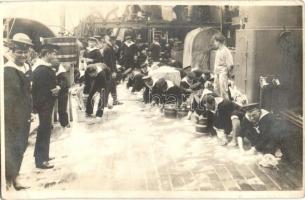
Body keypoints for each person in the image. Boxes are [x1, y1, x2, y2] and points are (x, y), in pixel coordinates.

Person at [4, 33, 33, 190]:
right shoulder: (8, 71)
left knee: (21, 146)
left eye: (25, 52)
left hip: (24, 114)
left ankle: (15, 177)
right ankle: (9, 180)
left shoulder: (27, 67)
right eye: (19, 52)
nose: (22, 55)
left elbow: (28, 92)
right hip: (12, 116)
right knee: (12, 146)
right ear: (12, 51)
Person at [32, 44, 60, 169]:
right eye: (53, 53)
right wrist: (53, 91)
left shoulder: (43, 67)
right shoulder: (41, 69)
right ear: (47, 54)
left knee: (46, 129)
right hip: (44, 103)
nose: (55, 56)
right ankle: (40, 160)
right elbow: (40, 90)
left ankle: (44, 155)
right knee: (44, 130)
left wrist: (55, 88)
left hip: (46, 102)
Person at [103, 35, 123, 106]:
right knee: (108, 86)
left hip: (110, 70)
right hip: (109, 71)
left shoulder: (110, 47)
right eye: (113, 41)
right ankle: (105, 103)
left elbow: (113, 60)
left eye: (114, 40)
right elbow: (109, 61)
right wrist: (113, 71)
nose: (114, 42)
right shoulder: (108, 48)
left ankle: (115, 100)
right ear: (110, 41)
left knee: (113, 85)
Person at [213, 33, 233, 99]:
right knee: (216, 88)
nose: (214, 43)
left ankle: (226, 105)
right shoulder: (218, 51)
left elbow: (230, 65)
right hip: (217, 71)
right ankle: (219, 104)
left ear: (219, 42)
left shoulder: (226, 51)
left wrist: (229, 75)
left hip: (223, 71)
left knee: (223, 90)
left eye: (215, 41)